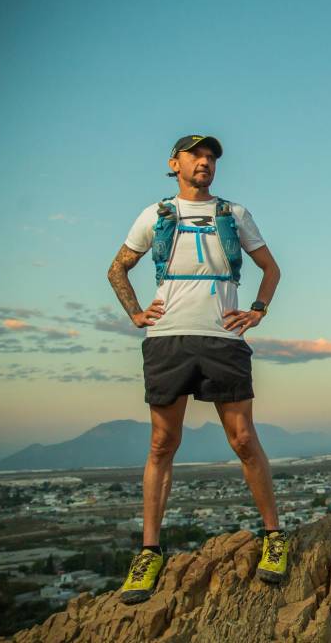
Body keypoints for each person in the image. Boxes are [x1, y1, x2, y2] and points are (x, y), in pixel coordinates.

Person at [107, 134, 287, 605]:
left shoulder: (235, 214)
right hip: (166, 339)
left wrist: (257, 311)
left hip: (224, 338)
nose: (205, 162)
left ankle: (273, 537)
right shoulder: (155, 215)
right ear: (175, 163)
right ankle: (149, 552)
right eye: (197, 155)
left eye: (211, 157)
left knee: (244, 439)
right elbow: (117, 269)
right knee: (162, 442)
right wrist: (135, 314)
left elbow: (271, 269)